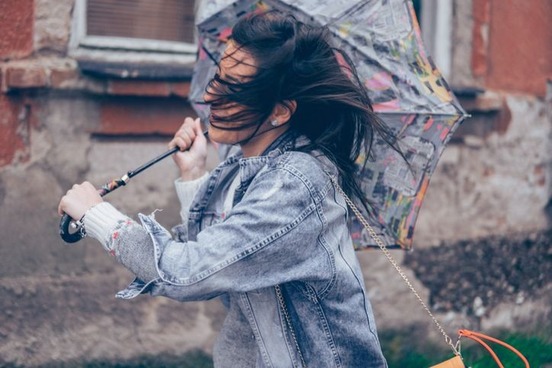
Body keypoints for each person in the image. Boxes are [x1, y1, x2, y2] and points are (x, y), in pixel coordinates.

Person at [58, 11, 398, 368]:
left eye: (234, 89)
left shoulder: (294, 185)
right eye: (218, 78)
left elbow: (189, 273)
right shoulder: (252, 168)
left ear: (280, 111)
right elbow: (219, 272)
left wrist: (97, 215)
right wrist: (193, 176)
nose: (212, 97)